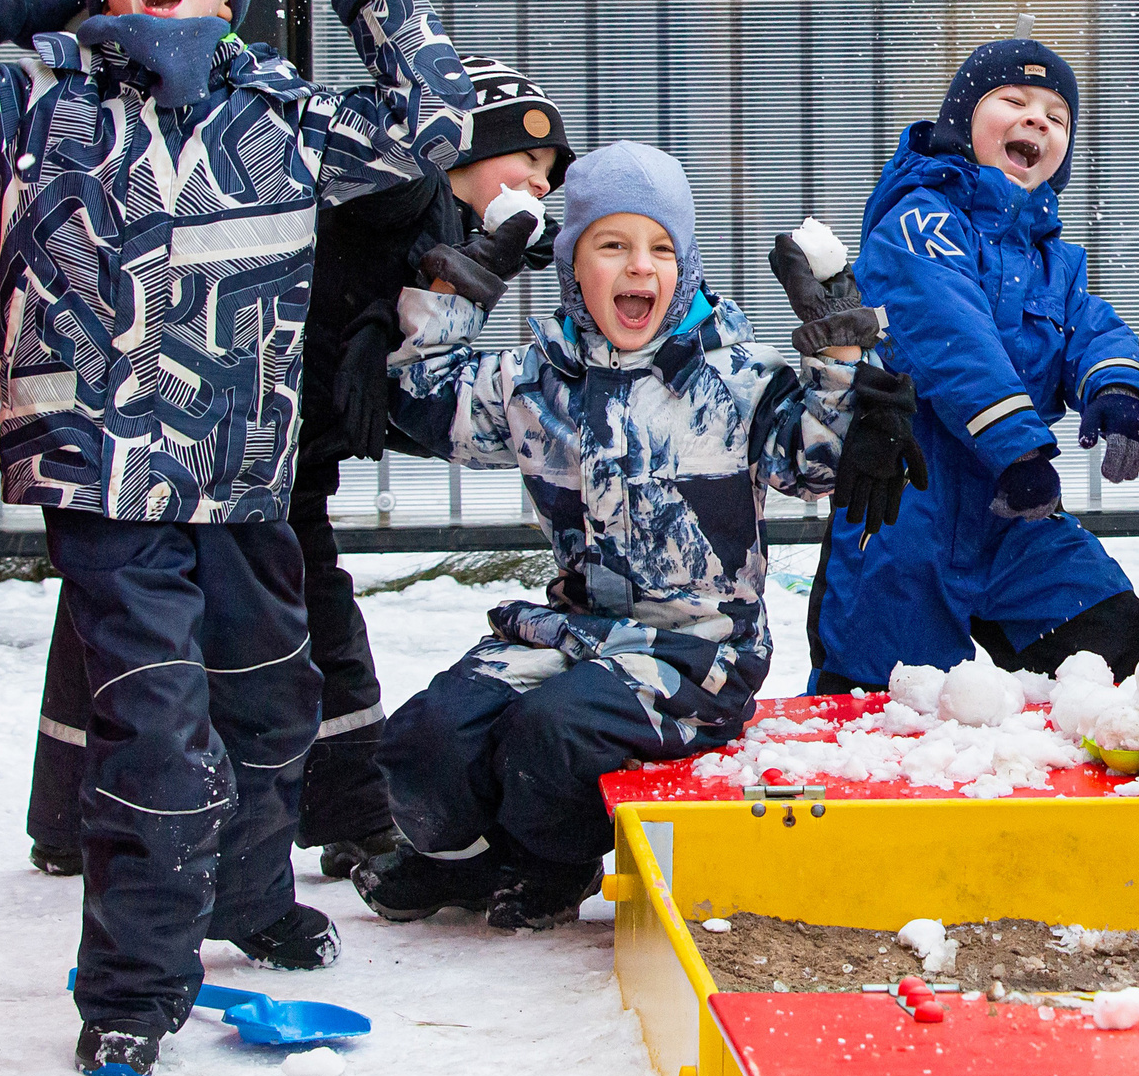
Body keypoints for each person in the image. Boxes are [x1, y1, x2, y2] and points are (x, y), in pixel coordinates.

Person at [0, 0, 474, 1076]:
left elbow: (438, 126)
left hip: (240, 473)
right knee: (154, 735)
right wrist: (18, 3)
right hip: (103, 475)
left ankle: (247, 896)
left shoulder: (282, 117)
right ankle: (133, 990)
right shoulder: (39, 104)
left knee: (270, 705)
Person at [21, 50, 575, 882]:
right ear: (467, 141)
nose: (538, 185)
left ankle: (69, 811)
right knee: (290, 599)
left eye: (550, 178)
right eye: (526, 160)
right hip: (232, 423)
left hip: (248, 428)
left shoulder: (446, 217)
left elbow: (412, 371)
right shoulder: (404, 183)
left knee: (124, 601)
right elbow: (338, 238)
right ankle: (354, 810)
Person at [356, 143, 874, 931]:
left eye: (661, 248)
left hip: (697, 653)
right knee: (430, 734)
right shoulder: (536, 379)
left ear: (685, 266)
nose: (639, 265)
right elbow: (424, 400)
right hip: (576, 631)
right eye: (612, 244)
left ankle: (551, 862)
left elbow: (821, 461)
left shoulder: (736, 379)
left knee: (551, 732)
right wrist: (462, 285)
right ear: (573, 266)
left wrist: (841, 349)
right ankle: (464, 859)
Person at [804, 39, 1139, 695]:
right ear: (962, 121)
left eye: (1056, 116)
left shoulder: (1055, 262)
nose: (1037, 120)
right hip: (907, 509)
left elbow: (1091, 327)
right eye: (1014, 101)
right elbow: (950, 336)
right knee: (882, 706)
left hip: (1014, 515)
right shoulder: (919, 221)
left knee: (1123, 663)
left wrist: (1116, 388)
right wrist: (1018, 449)